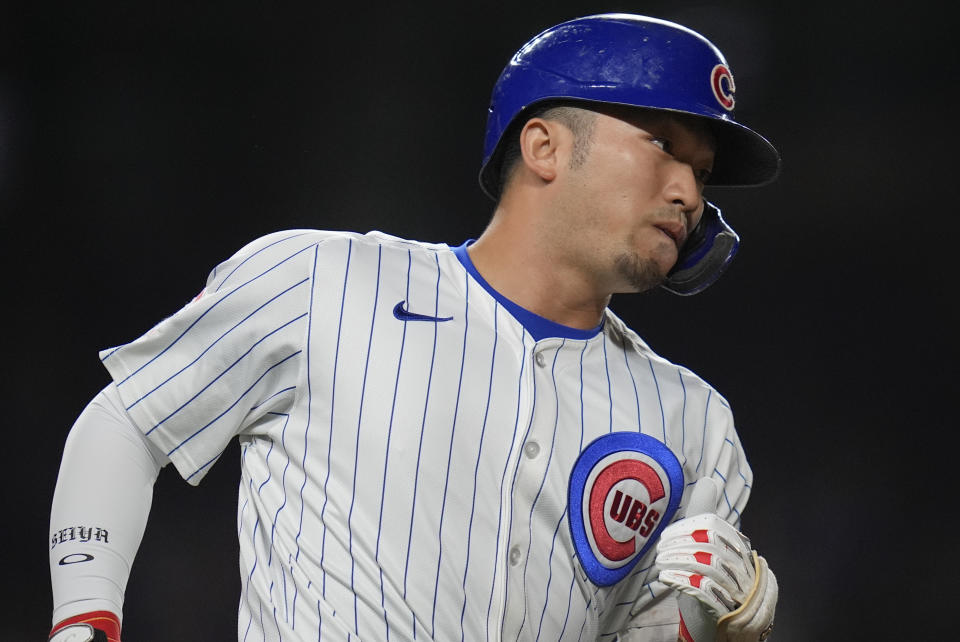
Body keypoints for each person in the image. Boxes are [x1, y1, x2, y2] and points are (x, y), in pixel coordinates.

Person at [48, 13, 780, 642]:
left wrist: (720, 628)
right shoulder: (321, 281)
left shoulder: (694, 423)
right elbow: (129, 423)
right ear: (545, 147)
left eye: (701, 170)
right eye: (662, 146)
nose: (687, 191)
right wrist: (85, 617)